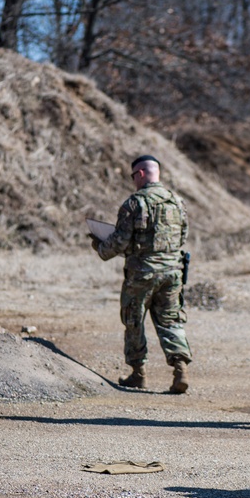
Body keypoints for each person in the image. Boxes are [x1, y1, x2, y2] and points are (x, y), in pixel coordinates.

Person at [92, 155, 192, 394]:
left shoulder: (134, 203)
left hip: (142, 273)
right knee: (170, 320)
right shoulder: (176, 201)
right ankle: (180, 370)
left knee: (133, 320)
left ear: (141, 174)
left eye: (133, 176)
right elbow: (183, 236)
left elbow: (120, 240)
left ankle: (139, 374)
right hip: (172, 272)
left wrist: (100, 247)